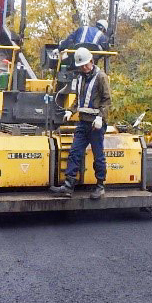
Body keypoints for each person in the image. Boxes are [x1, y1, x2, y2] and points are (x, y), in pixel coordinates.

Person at [50, 47, 111, 199]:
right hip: (83, 123)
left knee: (98, 156)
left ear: (91, 61)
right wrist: (70, 111)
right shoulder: (80, 78)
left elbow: (107, 100)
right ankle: (68, 186)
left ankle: (100, 186)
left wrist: (100, 117)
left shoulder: (101, 77)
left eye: (85, 65)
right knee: (75, 153)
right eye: (81, 66)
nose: (84, 68)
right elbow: (78, 99)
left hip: (96, 124)